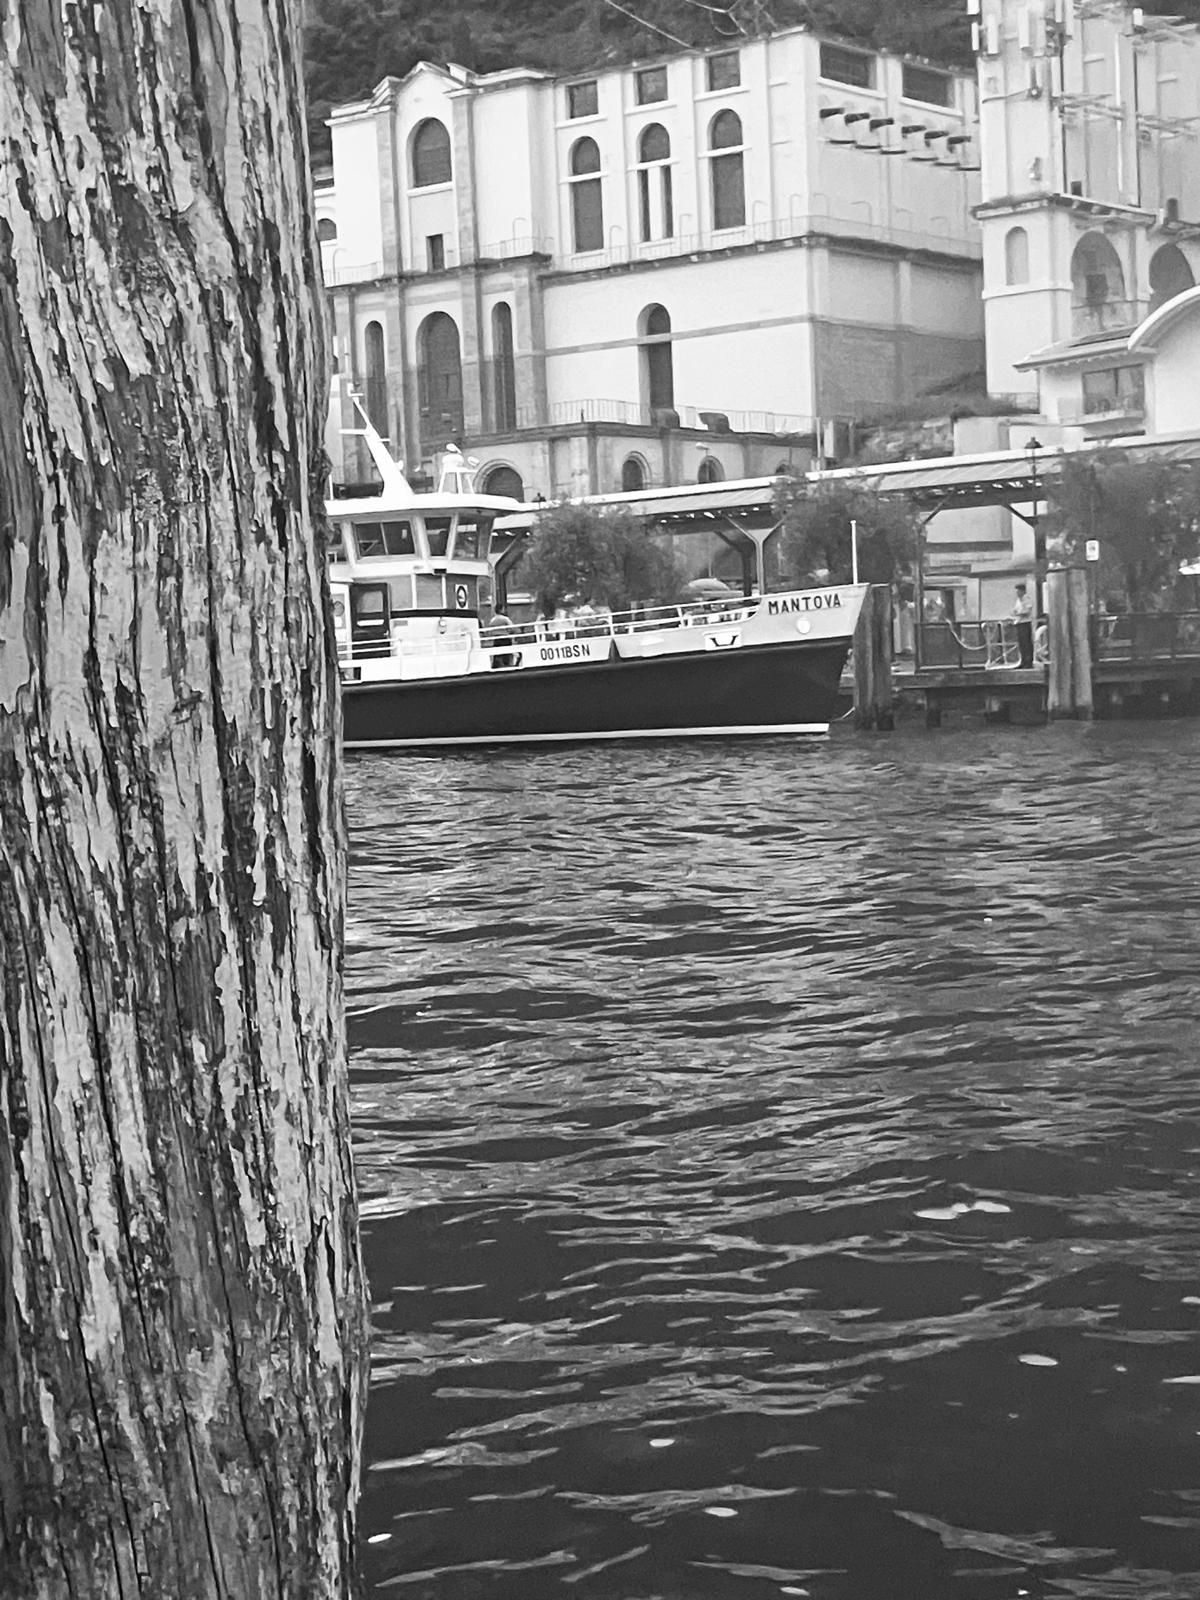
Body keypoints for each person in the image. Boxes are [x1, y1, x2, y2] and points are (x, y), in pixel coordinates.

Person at [1011, 582, 1034, 667]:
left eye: (1018, 591)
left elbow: (1027, 612)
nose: (1017, 593)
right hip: (1019, 623)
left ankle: (1028, 662)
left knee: (1026, 643)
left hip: (1025, 623)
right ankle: (1023, 661)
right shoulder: (1018, 600)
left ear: (1023, 591)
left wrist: (1018, 613)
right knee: (1021, 644)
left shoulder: (1027, 599)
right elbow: (1015, 610)